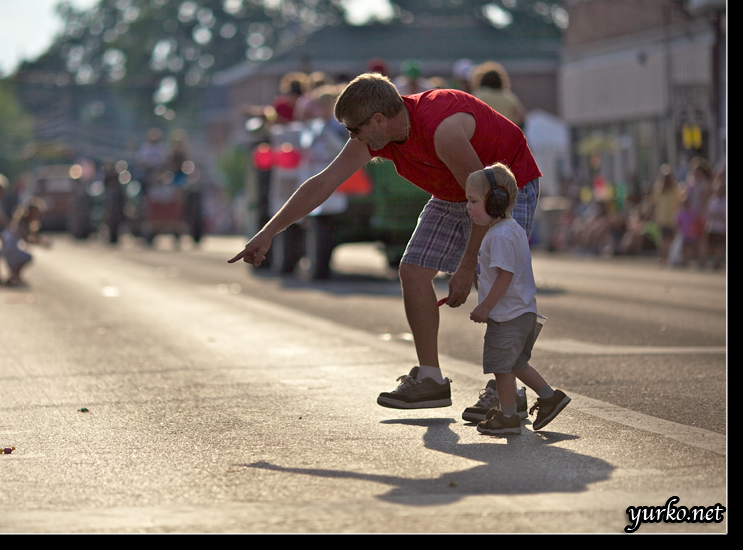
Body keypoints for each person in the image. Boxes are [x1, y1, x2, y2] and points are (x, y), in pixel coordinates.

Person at [229, 72, 543, 413]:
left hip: (504, 186)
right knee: (412, 271)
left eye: (354, 129)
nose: (352, 137)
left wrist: (466, 268)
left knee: (494, 279)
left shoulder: (443, 130)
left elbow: (486, 199)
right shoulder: (374, 136)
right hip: (454, 189)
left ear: (378, 119)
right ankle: (430, 380)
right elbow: (322, 183)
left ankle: (508, 390)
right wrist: (267, 232)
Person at [464, 163, 570, 434]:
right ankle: (549, 397)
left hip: (506, 317)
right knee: (517, 364)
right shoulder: (513, 230)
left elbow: (505, 276)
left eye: (473, 201)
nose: (468, 207)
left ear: (496, 201)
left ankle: (508, 416)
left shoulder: (498, 236)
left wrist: (485, 306)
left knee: (502, 368)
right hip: (524, 313)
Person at [470, 61, 525, 128]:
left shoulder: (479, 95)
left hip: (485, 132)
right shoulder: (508, 96)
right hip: (504, 132)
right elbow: (520, 115)